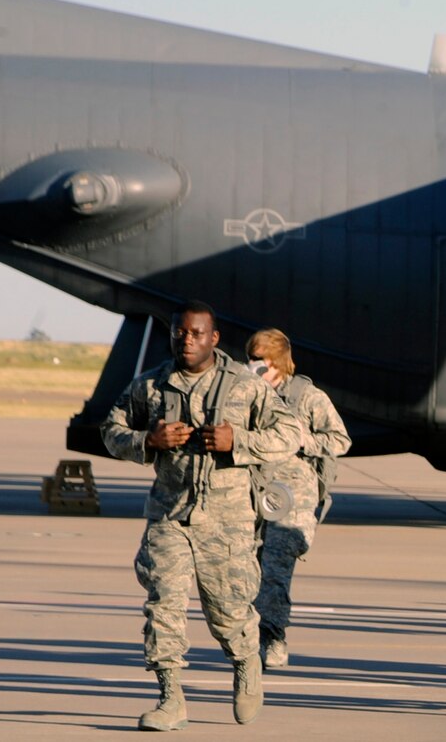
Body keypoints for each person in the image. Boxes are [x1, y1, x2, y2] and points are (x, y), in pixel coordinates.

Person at [102, 301, 303, 730]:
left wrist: (239, 440)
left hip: (227, 520)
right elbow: (110, 431)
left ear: (214, 338)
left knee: (227, 613)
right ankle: (170, 698)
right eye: (180, 333)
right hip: (169, 516)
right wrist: (148, 441)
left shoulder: (245, 388)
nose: (186, 340)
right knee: (163, 606)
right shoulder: (151, 386)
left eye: (196, 334)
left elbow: (290, 433)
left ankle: (246, 662)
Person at [244, 328, 352, 669]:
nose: (253, 367)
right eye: (250, 360)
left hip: (291, 501)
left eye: (259, 361)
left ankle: (272, 637)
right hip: (251, 496)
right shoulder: (247, 394)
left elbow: (340, 440)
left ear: (277, 362)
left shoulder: (306, 396)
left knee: (275, 571)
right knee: (245, 571)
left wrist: (302, 440)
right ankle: (246, 634)